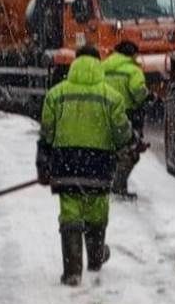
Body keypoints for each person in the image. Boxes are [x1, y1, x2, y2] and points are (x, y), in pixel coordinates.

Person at [37, 46, 132, 287]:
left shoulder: (56, 94)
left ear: (75, 63)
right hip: (99, 166)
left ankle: (72, 271)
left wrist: (44, 161)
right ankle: (96, 259)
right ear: (99, 64)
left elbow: (47, 132)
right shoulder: (111, 98)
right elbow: (122, 133)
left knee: (70, 214)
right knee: (97, 213)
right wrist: (127, 143)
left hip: (65, 165)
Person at [102, 41, 150, 199]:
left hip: (104, 113)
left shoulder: (102, 67)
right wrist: (147, 98)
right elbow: (138, 91)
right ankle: (119, 185)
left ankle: (103, 182)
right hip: (127, 114)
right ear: (132, 54)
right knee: (131, 152)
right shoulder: (133, 71)